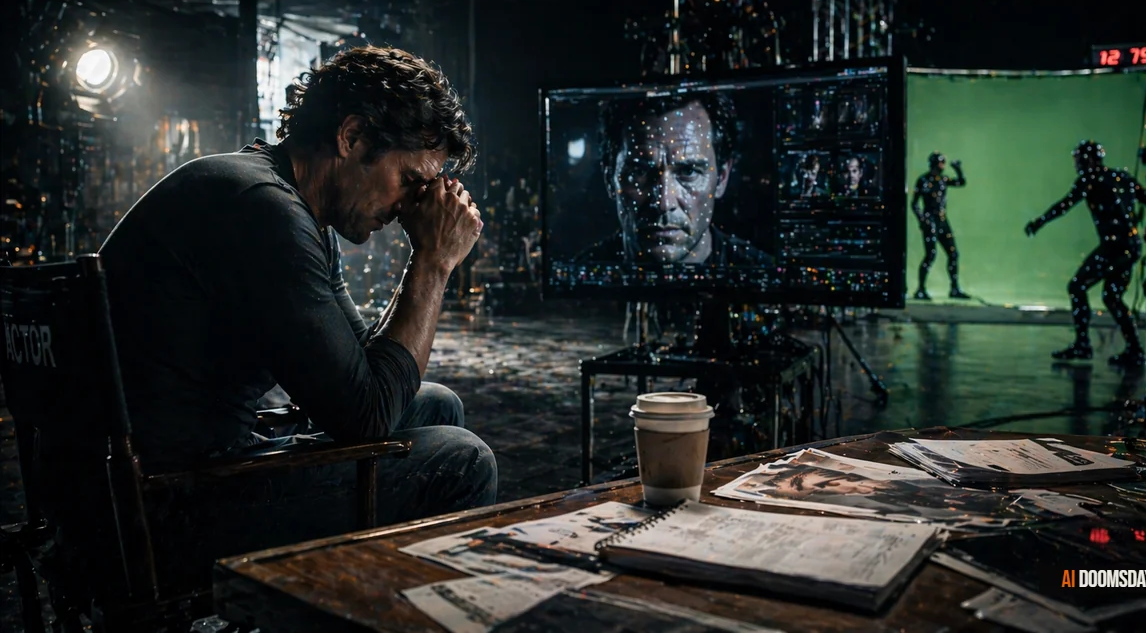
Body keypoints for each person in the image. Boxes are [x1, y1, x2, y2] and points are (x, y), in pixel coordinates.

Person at [98, 46, 497, 587]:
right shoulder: (264, 212)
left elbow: (363, 375)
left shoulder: (280, 203)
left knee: (434, 405)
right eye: (409, 179)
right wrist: (431, 263)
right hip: (159, 510)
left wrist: (426, 261)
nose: (410, 205)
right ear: (351, 137)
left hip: (154, 484)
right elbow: (365, 417)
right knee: (461, 461)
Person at [575, 92, 772, 266]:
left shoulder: (765, 279)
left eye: (688, 172)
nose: (663, 203)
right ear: (610, 179)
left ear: (721, 178)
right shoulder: (576, 286)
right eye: (640, 172)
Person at [1025, 140, 1146, 365]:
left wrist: (1039, 222)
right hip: (1130, 245)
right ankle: (1135, 349)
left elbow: (1065, 205)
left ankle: (1083, 344)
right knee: (1111, 296)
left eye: (1079, 159)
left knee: (1077, 286)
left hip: (1115, 247)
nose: (1076, 164)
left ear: (1088, 160)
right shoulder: (1121, 177)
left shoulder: (1089, 179)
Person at [911, 152, 969, 300]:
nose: (943, 166)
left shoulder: (943, 180)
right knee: (930, 255)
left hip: (942, 220)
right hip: (930, 220)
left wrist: (958, 169)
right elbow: (914, 203)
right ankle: (920, 288)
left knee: (953, 254)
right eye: (941, 162)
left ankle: (954, 288)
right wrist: (922, 220)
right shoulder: (923, 180)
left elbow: (961, 182)